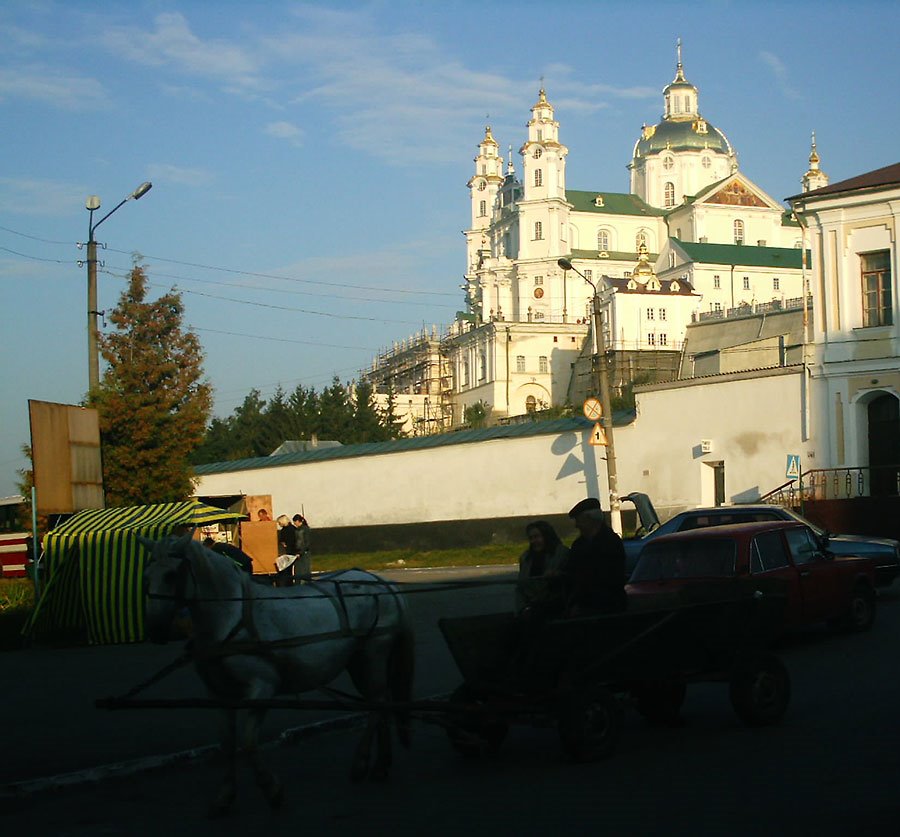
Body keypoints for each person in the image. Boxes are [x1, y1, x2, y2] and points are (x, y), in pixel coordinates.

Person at [564, 498, 627, 616]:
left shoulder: (610, 542)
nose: (577, 525)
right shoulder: (579, 544)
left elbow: (612, 576)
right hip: (584, 605)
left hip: (608, 606)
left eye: (579, 520)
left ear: (590, 519)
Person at [515, 521, 569, 618]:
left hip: (553, 605)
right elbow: (521, 586)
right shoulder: (526, 558)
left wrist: (556, 575)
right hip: (530, 606)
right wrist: (523, 608)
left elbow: (569, 578)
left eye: (537, 537)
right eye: (531, 538)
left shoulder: (561, 554)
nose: (533, 541)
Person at [275, 514, 297, 586]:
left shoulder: (289, 530)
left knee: (287, 567)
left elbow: (291, 540)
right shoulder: (290, 529)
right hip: (288, 550)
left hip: (290, 550)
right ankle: (288, 582)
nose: (279, 524)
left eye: (279, 522)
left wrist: (285, 544)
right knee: (287, 568)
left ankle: (288, 582)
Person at [291, 514, 312, 582]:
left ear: (298, 521)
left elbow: (307, 543)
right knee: (298, 571)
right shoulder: (297, 529)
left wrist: (301, 552)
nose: (294, 523)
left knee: (305, 570)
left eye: (295, 522)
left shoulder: (305, 529)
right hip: (298, 552)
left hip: (304, 553)